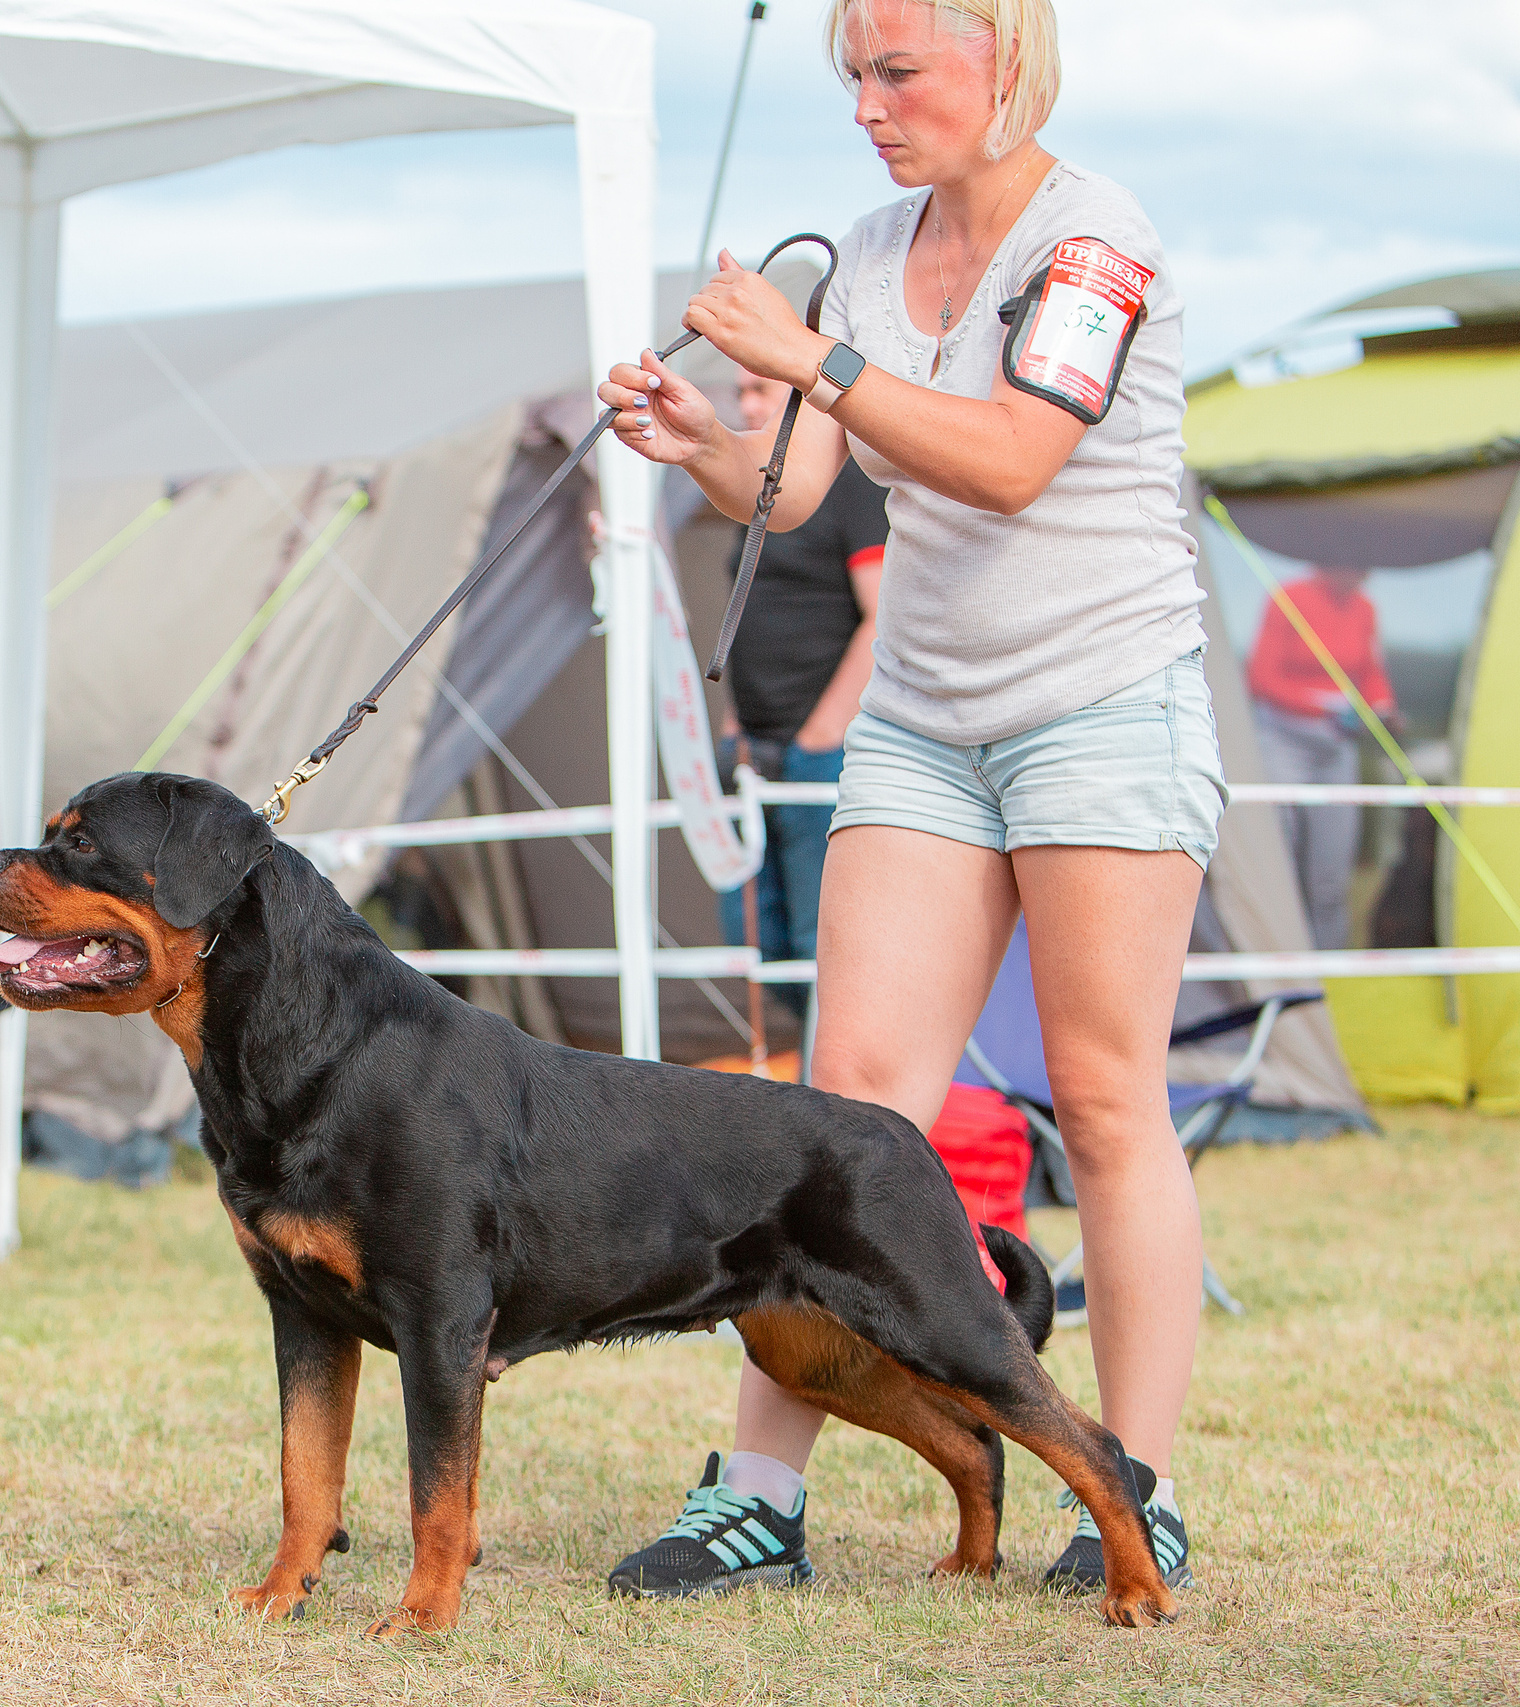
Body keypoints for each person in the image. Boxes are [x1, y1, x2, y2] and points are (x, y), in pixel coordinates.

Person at [596, 0, 1220, 1600]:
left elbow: (1009, 458)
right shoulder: (868, 251)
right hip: (926, 723)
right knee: (847, 1104)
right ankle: (760, 1496)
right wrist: (700, 444)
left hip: (1104, 702)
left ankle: (1135, 1490)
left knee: (1104, 1099)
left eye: (898, 72)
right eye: (852, 77)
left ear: (1003, 57)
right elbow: (800, 485)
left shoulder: (1095, 242)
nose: (868, 107)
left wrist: (808, 353)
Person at [714, 368, 889, 998]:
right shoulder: (762, 491)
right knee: (756, 939)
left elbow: (884, 614)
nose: (746, 405)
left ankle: (826, 1058)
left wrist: (822, 733)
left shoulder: (853, 485)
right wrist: (734, 725)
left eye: (760, 389)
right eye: (740, 392)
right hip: (753, 749)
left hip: (820, 754)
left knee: (823, 942)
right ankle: (811, 1050)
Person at [1247, 565, 1400, 951]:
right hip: (1283, 743)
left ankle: (1327, 966)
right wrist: (1324, 710)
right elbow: (1261, 677)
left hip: (1336, 749)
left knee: (1331, 873)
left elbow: (1371, 673)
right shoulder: (1289, 597)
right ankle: (1276, 955)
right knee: (1280, 859)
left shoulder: (1364, 608)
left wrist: (1381, 708)